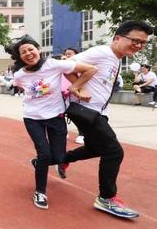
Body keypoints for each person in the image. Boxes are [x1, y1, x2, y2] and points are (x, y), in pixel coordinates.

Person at [64, 20, 154, 218]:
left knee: (96, 148)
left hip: (95, 111)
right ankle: (106, 198)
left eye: (143, 43)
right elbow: (64, 65)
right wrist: (78, 87)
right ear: (117, 38)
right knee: (114, 151)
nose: (138, 45)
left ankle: (58, 159)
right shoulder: (101, 52)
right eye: (135, 40)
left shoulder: (115, 57)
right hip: (84, 109)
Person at [9, 37, 97, 210]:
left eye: (30, 49)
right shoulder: (19, 75)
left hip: (56, 116)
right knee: (44, 154)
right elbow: (21, 87)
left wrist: (75, 87)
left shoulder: (54, 65)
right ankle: (40, 192)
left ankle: (39, 163)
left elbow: (91, 69)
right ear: (20, 57)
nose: (28, 54)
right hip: (33, 118)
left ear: (39, 49)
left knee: (59, 157)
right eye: (23, 52)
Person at [62, 48, 85, 144]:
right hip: (64, 94)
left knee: (79, 116)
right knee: (61, 114)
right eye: (66, 54)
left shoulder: (82, 66)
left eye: (70, 54)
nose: (67, 56)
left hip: (78, 94)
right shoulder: (62, 66)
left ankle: (81, 134)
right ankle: (63, 133)